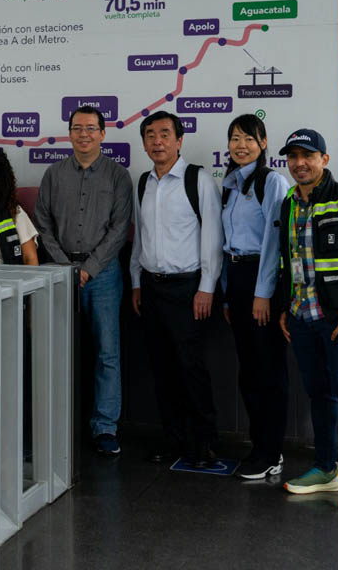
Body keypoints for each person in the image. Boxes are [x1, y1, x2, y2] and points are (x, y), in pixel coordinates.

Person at [275, 128, 338, 511]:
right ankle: (325, 469)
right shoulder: (289, 202)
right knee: (319, 394)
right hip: (303, 317)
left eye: (308, 156)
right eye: (293, 157)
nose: (300, 163)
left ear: (324, 160)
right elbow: (290, 262)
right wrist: (288, 307)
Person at [33, 106, 132, 456]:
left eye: (91, 128)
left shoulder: (119, 176)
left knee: (107, 354)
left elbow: (120, 229)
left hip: (103, 275)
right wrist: (64, 266)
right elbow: (41, 223)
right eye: (77, 128)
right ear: (69, 133)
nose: (84, 134)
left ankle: (105, 426)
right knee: (56, 353)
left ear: (103, 134)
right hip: (59, 274)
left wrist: (89, 267)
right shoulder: (54, 174)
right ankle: (56, 424)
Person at [130, 111, 224, 468]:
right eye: (150, 135)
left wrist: (207, 288)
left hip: (188, 291)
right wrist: (137, 282)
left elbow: (213, 236)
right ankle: (174, 440)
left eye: (165, 134)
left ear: (179, 140)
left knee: (191, 369)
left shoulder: (197, 179)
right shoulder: (142, 182)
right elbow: (141, 237)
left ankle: (205, 444)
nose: (157, 141)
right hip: (152, 289)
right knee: (163, 370)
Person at [219, 114, 292, 479]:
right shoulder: (230, 184)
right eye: (235, 138)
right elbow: (225, 242)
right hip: (237, 278)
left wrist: (262, 295)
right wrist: (228, 296)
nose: (241, 145)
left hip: (262, 281)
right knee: (249, 370)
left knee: (268, 370)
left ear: (263, 143)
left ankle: (272, 452)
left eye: (249, 138)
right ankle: (258, 445)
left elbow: (273, 243)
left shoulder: (271, 182)